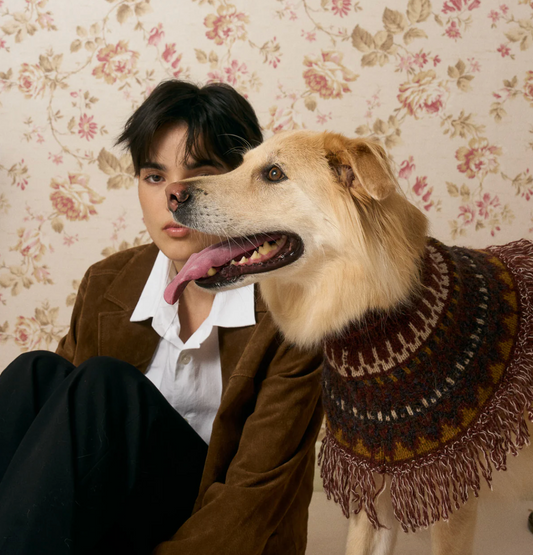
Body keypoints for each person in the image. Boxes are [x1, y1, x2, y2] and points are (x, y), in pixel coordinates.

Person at [0, 80, 323, 555]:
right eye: (154, 177)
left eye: (201, 174)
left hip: (221, 535)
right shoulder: (106, 282)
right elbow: (59, 445)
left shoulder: (294, 308)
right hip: (108, 523)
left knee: (104, 385)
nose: (174, 195)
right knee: (36, 372)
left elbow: (253, 504)